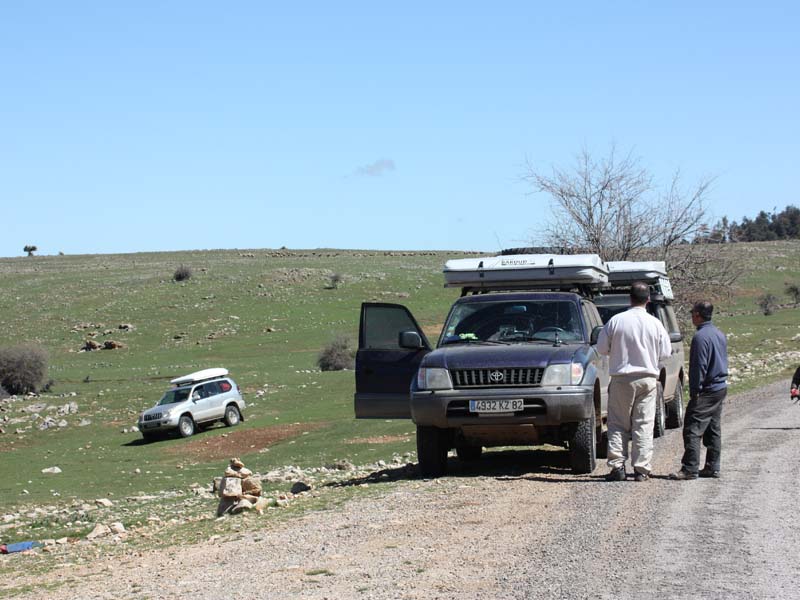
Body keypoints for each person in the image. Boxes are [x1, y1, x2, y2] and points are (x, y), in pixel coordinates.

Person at [597, 281, 671, 482]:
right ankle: (641, 469)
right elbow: (665, 352)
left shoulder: (616, 321)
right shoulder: (655, 323)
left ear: (629, 298)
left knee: (618, 423)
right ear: (648, 300)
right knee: (644, 424)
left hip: (622, 378)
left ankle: (617, 466)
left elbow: (601, 348)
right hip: (647, 378)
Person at [669, 301, 728, 480]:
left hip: (707, 389)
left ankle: (690, 468)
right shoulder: (719, 333)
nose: (691, 315)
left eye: (693, 312)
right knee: (713, 427)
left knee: (692, 428)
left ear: (698, 315)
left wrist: (695, 389)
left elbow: (699, 366)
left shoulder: (701, 337)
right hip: (720, 387)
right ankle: (712, 466)